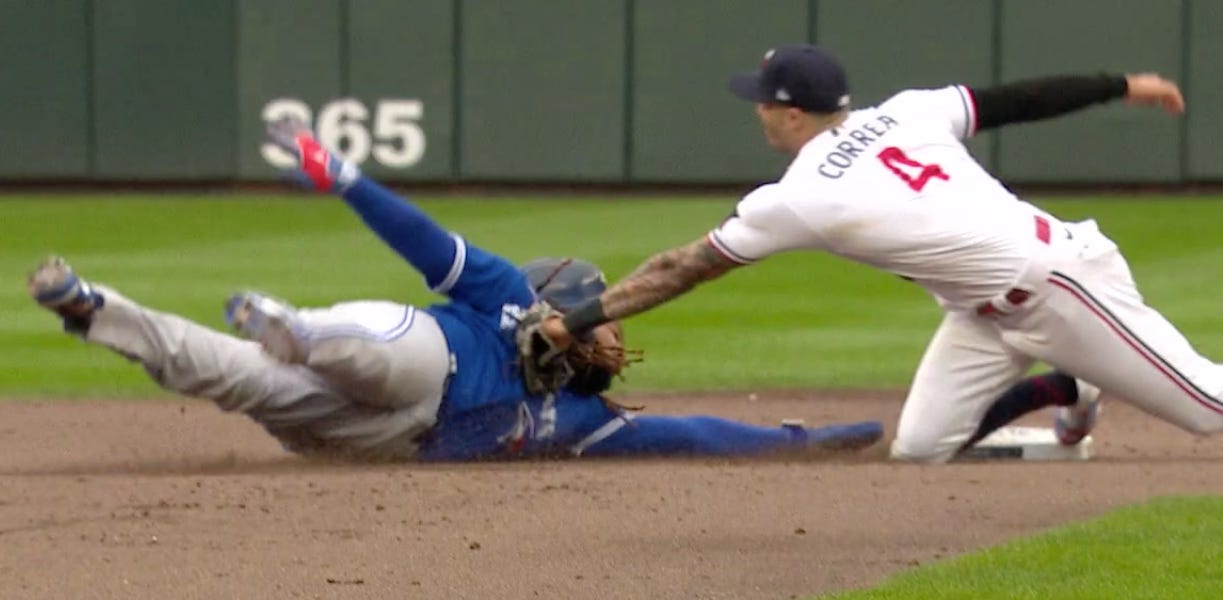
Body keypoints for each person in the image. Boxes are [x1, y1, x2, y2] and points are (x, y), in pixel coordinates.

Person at [24, 118, 884, 462]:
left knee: (230, 376)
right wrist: (349, 180)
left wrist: (797, 437)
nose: (610, 338)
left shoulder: (590, 422)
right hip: (422, 361)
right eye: (597, 315)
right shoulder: (507, 295)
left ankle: (91, 309)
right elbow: (426, 242)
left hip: (379, 440)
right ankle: (294, 327)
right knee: (386, 345)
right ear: (560, 301)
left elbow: (692, 433)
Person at [531, 43, 1223, 463]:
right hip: (983, 312)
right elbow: (1016, 99)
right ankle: (1071, 386)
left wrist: (573, 322)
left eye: (763, 102)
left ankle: (1084, 370)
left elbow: (680, 267)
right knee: (922, 450)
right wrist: (1121, 85)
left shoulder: (803, 194)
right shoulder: (909, 109)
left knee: (1210, 406)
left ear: (792, 113)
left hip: (1061, 284)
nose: (757, 110)